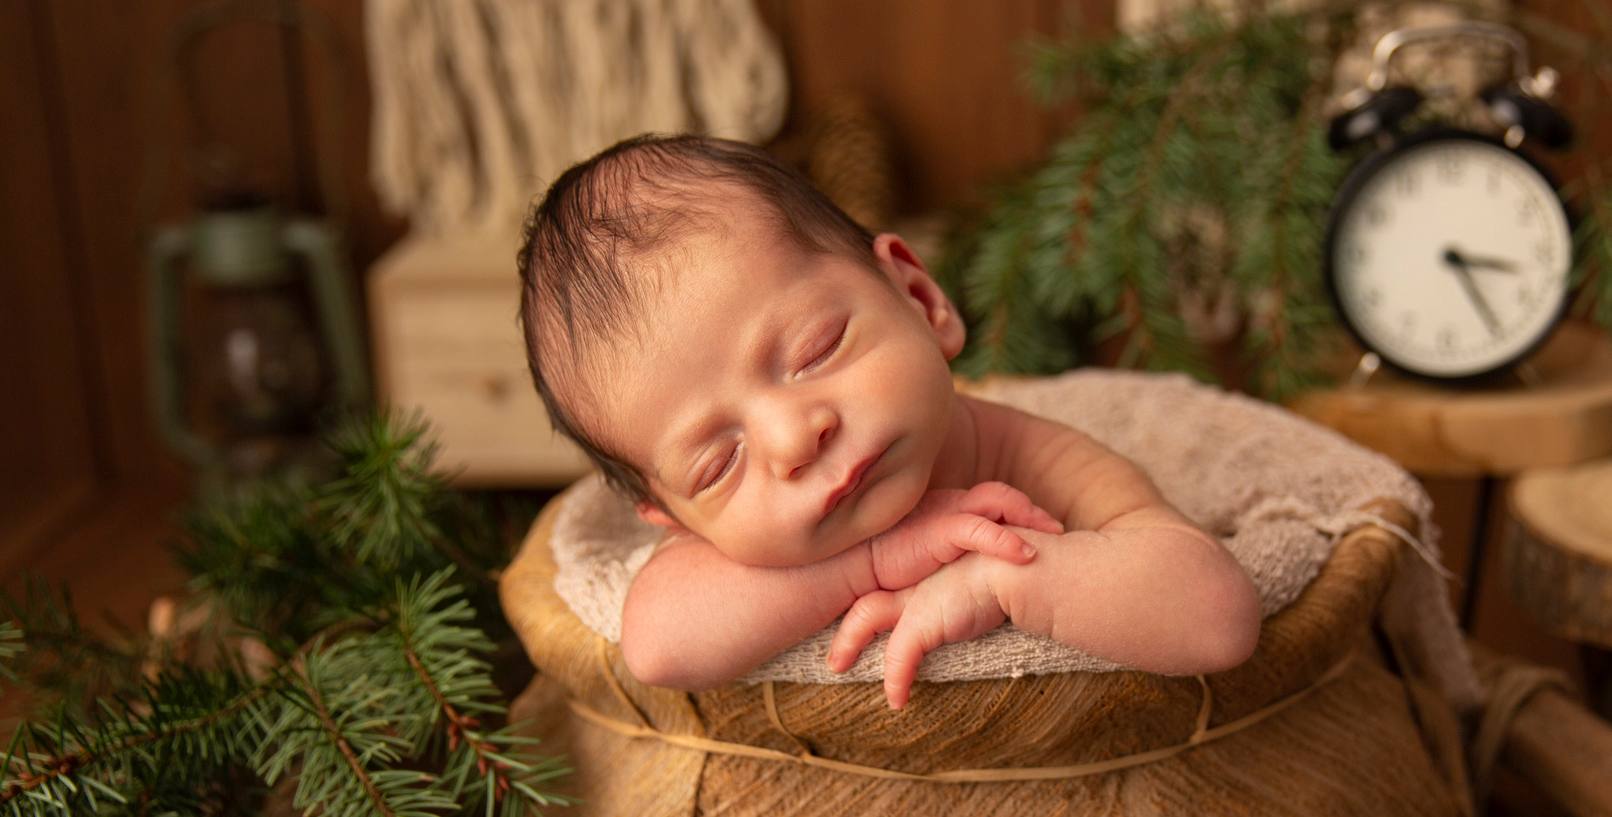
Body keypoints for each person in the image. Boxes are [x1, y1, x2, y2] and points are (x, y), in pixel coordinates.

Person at [518, 135, 1262, 708]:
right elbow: (657, 645)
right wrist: (875, 561)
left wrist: (1002, 577)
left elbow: (1215, 613)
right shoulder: (721, 560)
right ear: (672, 517)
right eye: (718, 464)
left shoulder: (1030, 458)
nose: (793, 438)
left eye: (815, 350)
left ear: (919, 297)